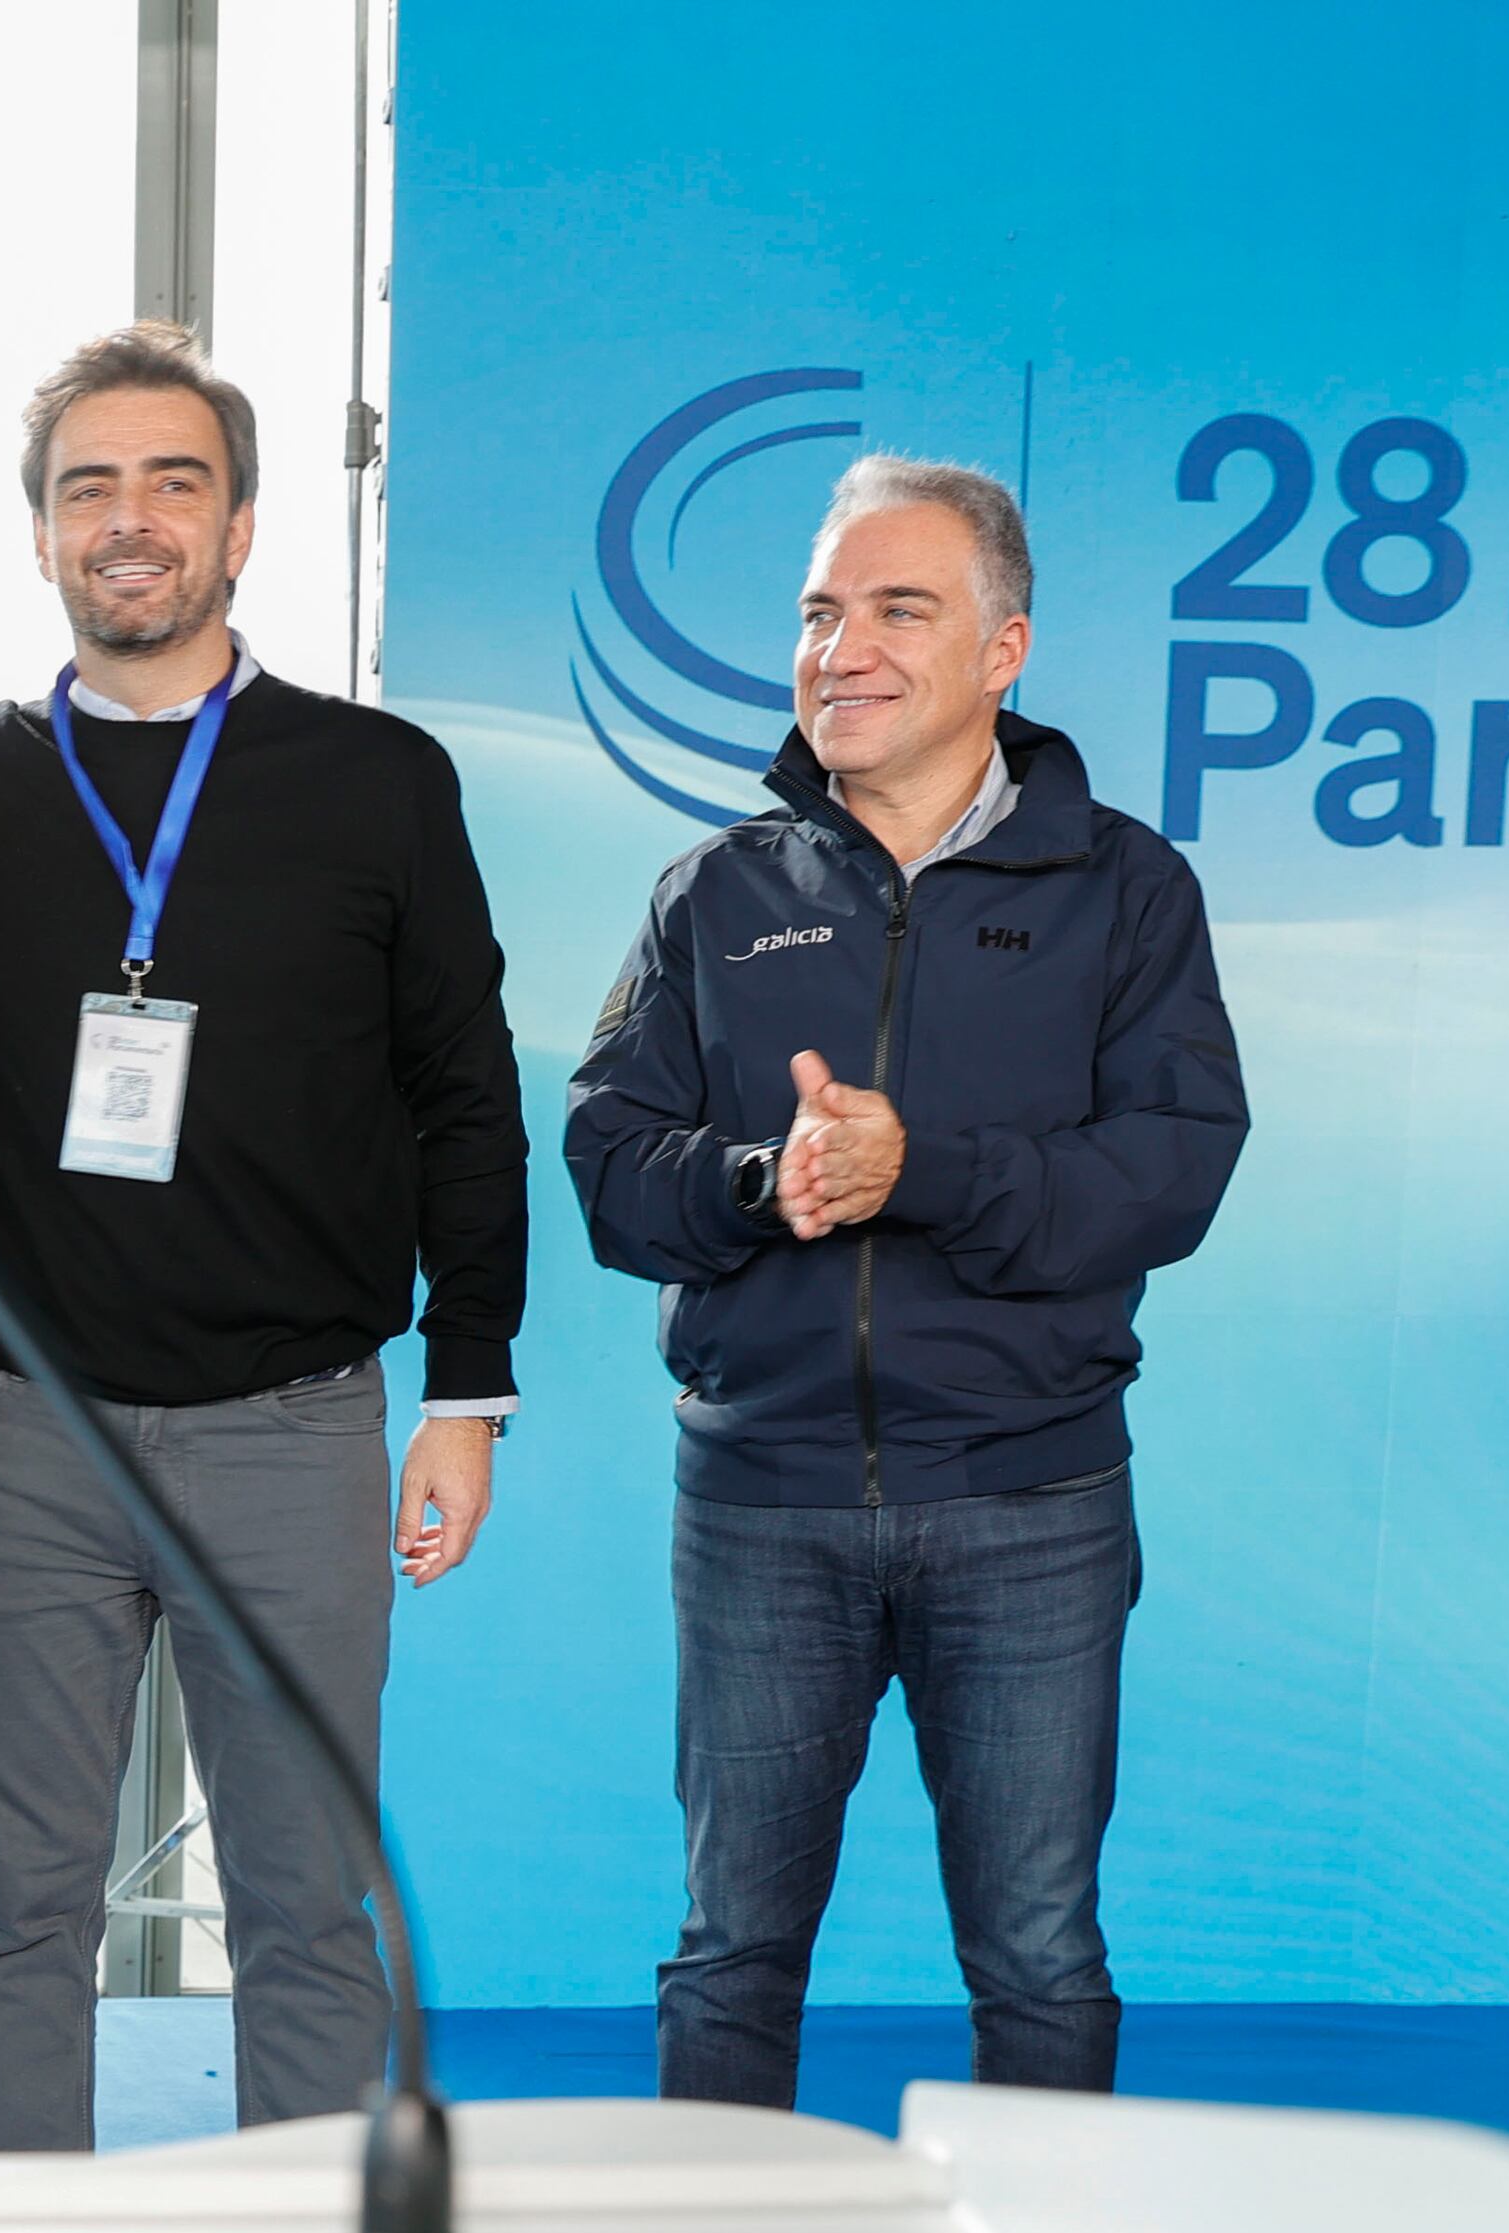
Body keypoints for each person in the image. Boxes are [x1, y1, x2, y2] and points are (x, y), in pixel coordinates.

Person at [562, 453, 1248, 2108]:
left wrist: (917, 1171)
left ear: (1004, 649)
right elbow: (606, 1160)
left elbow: (1173, 1169)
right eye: (818, 611)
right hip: (762, 1501)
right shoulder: (714, 895)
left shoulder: (1127, 890)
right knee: (730, 1951)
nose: (839, 647)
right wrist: (761, 1182)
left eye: (895, 608)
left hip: (1031, 1500)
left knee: (1038, 1954)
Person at [0, 321, 527, 2151]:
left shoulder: (377, 778)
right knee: (24, 1906)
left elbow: (463, 1092)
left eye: (173, 481)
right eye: (87, 486)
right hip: (31, 1426)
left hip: (294, 1424)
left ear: (242, 525)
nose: (130, 519)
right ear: (39, 535)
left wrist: (469, 1390)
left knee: (306, 1907)